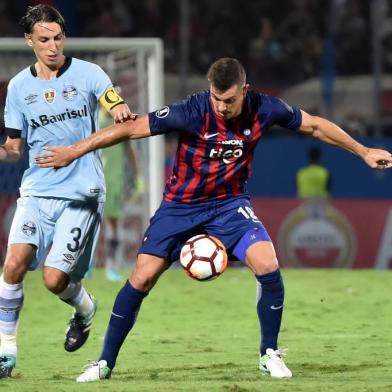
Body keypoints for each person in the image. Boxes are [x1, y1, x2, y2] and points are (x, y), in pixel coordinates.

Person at [35, 58, 392, 382]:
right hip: (180, 206)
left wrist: (363, 151)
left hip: (229, 204)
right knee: (141, 278)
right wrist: (73, 150)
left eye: (230, 100)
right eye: (217, 98)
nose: (222, 106)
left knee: (268, 264)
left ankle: (269, 353)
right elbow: (130, 129)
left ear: (245, 91)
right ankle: (104, 362)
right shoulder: (190, 111)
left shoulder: (264, 108)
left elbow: (314, 126)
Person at [0, 4, 134, 378]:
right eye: (44, 39)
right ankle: (6, 353)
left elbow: (113, 100)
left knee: (54, 279)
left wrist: (120, 108)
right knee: (12, 266)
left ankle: (85, 309)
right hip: (37, 193)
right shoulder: (18, 88)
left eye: (58, 38)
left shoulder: (89, 74)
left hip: (82, 194)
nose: (53, 46)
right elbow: (13, 148)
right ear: (30, 41)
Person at [99, 107, 143, 282]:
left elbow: (131, 153)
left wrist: (138, 177)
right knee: (88, 223)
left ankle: (112, 267)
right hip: (93, 180)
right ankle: (85, 266)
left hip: (115, 182)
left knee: (114, 224)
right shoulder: (93, 121)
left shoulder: (121, 125)